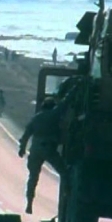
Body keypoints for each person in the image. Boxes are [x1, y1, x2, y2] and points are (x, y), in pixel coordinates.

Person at [18, 83, 78, 214]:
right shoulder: (54, 114)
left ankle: (29, 203)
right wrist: (74, 89)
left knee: (33, 177)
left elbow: (26, 134)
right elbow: (65, 102)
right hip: (49, 148)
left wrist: (22, 148)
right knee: (64, 172)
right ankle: (68, 195)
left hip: (35, 149)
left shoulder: (36, 117)